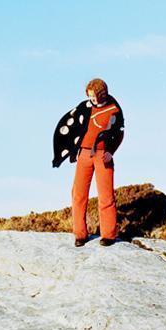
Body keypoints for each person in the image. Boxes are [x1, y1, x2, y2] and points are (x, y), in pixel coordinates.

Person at [51, 78, 125, 247]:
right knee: (78, 194)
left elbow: (119, 133)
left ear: (102, 94)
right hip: (83, 154)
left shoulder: (114, 109)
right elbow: (72, 125)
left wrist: (110, 152)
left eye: (94, 97)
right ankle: (80, 234)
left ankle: (108, 235)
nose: (92, 100)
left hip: (102, 156)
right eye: (90, 97)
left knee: (106, 196)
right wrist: (71, 150)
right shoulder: (84, 107)